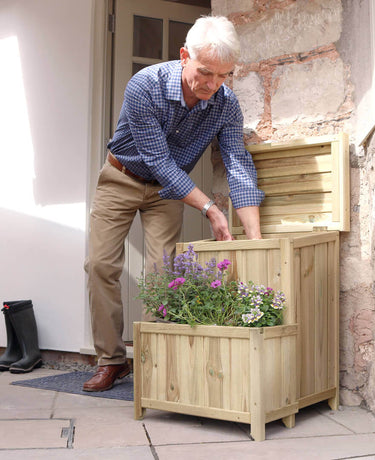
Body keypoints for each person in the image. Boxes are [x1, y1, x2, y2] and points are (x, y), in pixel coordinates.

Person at [83, 16, 264, 392]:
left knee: (162, 274)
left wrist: (254, 235)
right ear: (184, 56)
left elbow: (237, 161)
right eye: (206, 72)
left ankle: (152, 361)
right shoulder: (144, 86)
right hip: (121, 177)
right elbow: (159, 161)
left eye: (224, 76)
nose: (213, 85)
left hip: (168, 194)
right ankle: (112, 360)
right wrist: (211, 210)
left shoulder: (225, 105)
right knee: (100, 265)